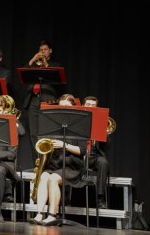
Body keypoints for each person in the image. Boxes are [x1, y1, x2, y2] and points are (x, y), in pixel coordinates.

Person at [28, 94, 86, 226]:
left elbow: (82, 150)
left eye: (67, 106)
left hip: (72, 166)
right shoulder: (53, 124)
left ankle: (52, 215)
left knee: (53, 178)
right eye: (61, 106)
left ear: (73, 108)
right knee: (43, 176)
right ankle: (39, 214)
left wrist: (65, 145)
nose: (64, 109)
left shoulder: (80, 126)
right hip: (55, 164)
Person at [22, 40, 63, 153]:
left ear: (50, 51)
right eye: (41, 50)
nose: (43, 52)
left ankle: (48, 162)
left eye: (45, 50)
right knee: (33, 133)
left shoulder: (56, 65)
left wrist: (45, 64)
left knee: (48, 132)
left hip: (48, 100)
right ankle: (37, 163)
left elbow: (58, 80)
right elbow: (23, 74)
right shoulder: (33, 65)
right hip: (33, 100)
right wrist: (32, 60)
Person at [83, 95, 110, 209]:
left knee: (103, 162)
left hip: (94, 155)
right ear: (83, 106)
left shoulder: (100, 121)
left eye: (93, 106)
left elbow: (106, 147)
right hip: (79, 154)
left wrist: (105, 134)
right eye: (88, 105)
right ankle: (66, 197)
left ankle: (100, 198)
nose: (90, 107)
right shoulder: (77, 121)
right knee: (68, 161)